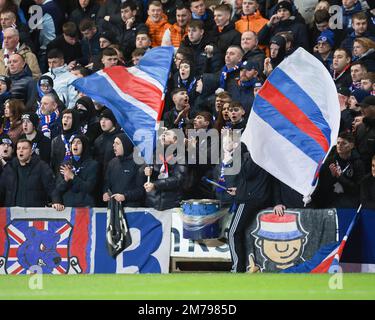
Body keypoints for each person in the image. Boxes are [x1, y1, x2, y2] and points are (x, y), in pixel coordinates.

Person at [225, 134, 271, 272]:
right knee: (241, 232)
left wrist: (235, 152)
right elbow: (250, 180)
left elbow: (247, 172)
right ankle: (243, 266)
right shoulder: (263, 154)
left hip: (248, 199)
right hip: (250, 195)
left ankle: (237, 268)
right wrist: (238, 191)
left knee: (233, 233)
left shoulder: (257, 154)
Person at [0, 139, 61, 208]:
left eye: (24, 148)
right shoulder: (10, 167)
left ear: (31, 151)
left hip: (34, 214)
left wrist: (56, 201)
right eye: (18, 148)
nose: (21, 150)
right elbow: (1, 189)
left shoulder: (41, 166)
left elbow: (51, 187)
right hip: (12, 214)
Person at [317, 132, 365, 208]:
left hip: (349, 199)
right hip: (330, 198)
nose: (339, 146)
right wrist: (332, 177)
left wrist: (340, 178)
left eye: (344, 143)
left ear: (352, 145)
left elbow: (357, 189)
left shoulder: (357, 163)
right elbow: (322, 186)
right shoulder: (330, 161)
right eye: (338, 143)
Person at [143, 129, 186, 211]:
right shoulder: (155, 154)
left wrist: (155, 185)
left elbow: (178, 179)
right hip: (152, 203)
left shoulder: (180, 156)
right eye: (163, 134)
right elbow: (142, 170)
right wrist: (145, 170)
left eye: (167, 134)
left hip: (171, 204)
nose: (163, 135)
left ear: (175, 140)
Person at [54, 134, 99, 209]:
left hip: (86, 208)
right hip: (68, 208)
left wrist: (73, 177)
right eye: (73, 142)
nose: (75, 145)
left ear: (84, 146)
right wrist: (65, 180)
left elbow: (89, 188)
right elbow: (57, 190)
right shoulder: (65, 165)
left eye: (78, 143)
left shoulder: (93, 165)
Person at [103, 133, 144, 207]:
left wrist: (125, 196)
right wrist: (105, 192)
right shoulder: (112, 163)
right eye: (113, 143)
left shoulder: (138, 162)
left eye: (117, 143)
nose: (113, 145)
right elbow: (107, 183)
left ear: (126, 145)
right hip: (114, 208)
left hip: (132, 209)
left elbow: (141, 190)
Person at [50, 109, 81, 174]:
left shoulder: (81, 139)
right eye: (64, 117)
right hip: (59, 178)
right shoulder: (56, 140)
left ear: (75, 121)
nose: (65, 119)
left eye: (69, 117)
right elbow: (53, 163)